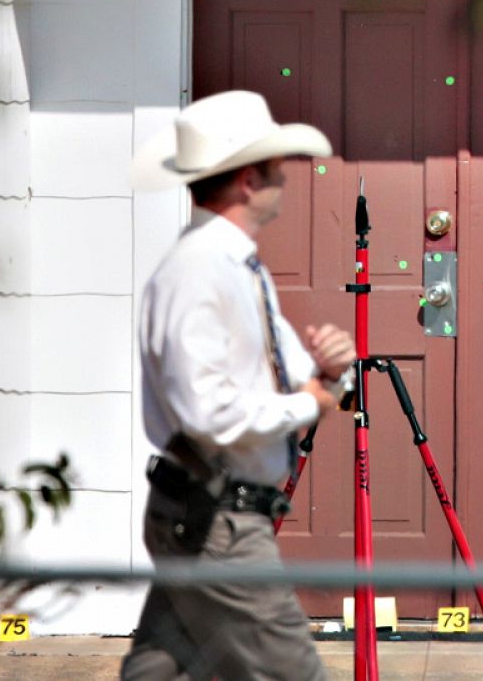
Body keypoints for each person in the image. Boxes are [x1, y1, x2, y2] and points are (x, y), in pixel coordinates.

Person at [120, 90, 354, 681]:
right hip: (217, 517)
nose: (285, 179)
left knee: (158, 669)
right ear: (250, 181)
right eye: (277, 168)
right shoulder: (199, 270)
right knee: (293, 673)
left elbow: (301, 369)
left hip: (207, 512)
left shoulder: (235, 265)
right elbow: (210, 413)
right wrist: (312, 401)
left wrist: (333, 370)